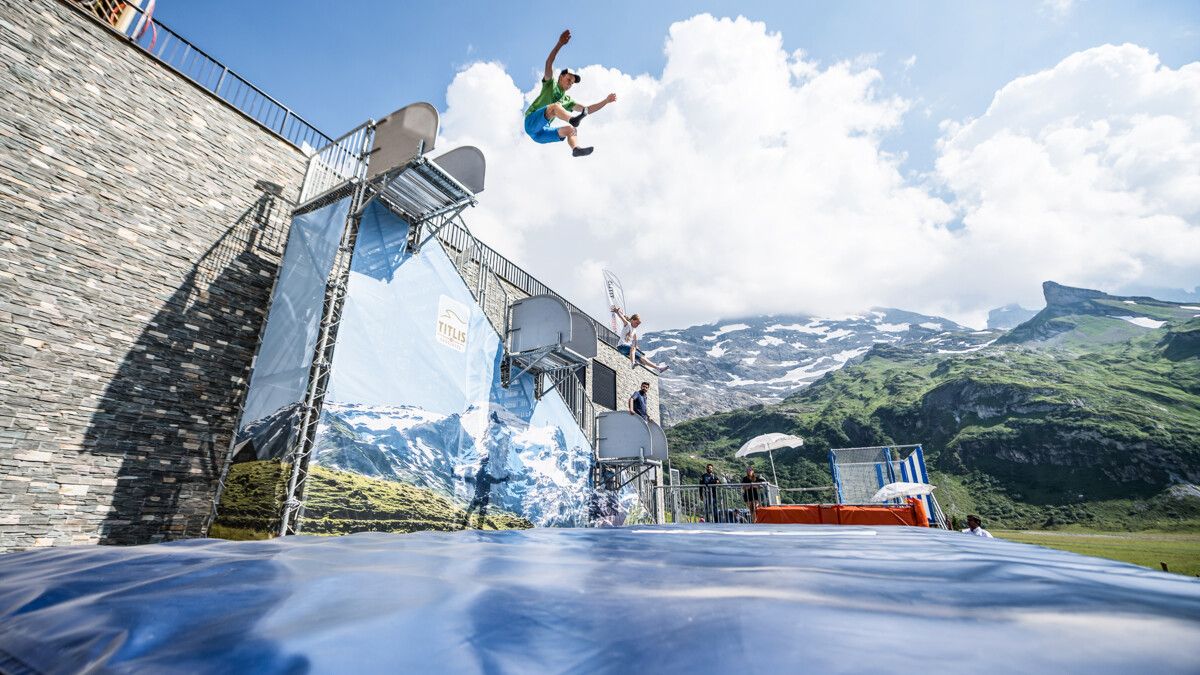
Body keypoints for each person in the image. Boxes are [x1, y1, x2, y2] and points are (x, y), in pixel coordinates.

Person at [523, 29, 617, 158]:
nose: (570, 83)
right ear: (561, 76)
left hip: (539, 135)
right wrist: (560, 44)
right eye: (568, 79)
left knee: (571, 130)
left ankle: (576, 149)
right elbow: (548, 63)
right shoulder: (549, 84)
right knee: (555, 107)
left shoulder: (566, 100)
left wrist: (605, 101)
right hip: (531, 122)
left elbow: (587, 110)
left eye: (572, 83)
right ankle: (572, 120)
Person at [612, 306, 668, 373]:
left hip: (628, 350)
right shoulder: (627, 324)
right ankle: (633, 363)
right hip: (621, 347)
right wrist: (617, 312)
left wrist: (636, 346)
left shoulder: (634, 330)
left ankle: (658, 368)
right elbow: (622, 318)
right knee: (633, 348)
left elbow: (635, 340)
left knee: (642, 358)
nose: (637, 325)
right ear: (632, 320)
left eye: (638, 324)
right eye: (636, 323)